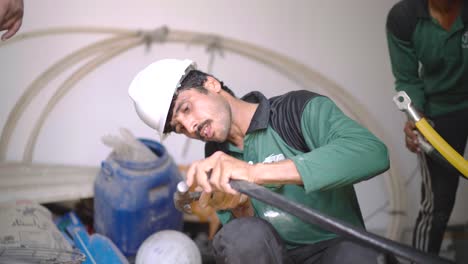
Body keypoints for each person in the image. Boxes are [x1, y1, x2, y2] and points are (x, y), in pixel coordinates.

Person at [128, 59, 395, 263]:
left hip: (338, 249)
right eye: (179, 127)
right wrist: (240, 208)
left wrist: (254, 173)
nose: (190, 126)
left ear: (211, 84)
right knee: (239, 235)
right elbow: (248, 245)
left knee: (358, 253)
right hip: (280, 256)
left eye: (186, 109)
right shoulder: (216, 156)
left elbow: (371, 153)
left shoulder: (294, 111)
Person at [386, 0, 468, 255]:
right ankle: (419, 260)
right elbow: (408, 78)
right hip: (438, 113)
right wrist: (416, 120)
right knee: (438, 203)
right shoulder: (404, 17)